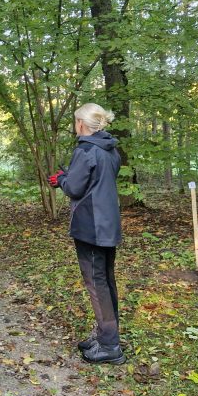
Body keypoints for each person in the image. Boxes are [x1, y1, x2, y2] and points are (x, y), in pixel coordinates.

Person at [48, 102, 124, 365]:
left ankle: (109, 346)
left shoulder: (85, 150)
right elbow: (97, 181)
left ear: (82, 124)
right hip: (108, 223)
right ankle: (106, 335)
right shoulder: (110, 149)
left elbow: (76, 188)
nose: (74, 125)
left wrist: (61, 180)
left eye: (75, 121)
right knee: (106, 280)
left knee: (96, 283)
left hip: (90, 225)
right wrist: (70, 177)